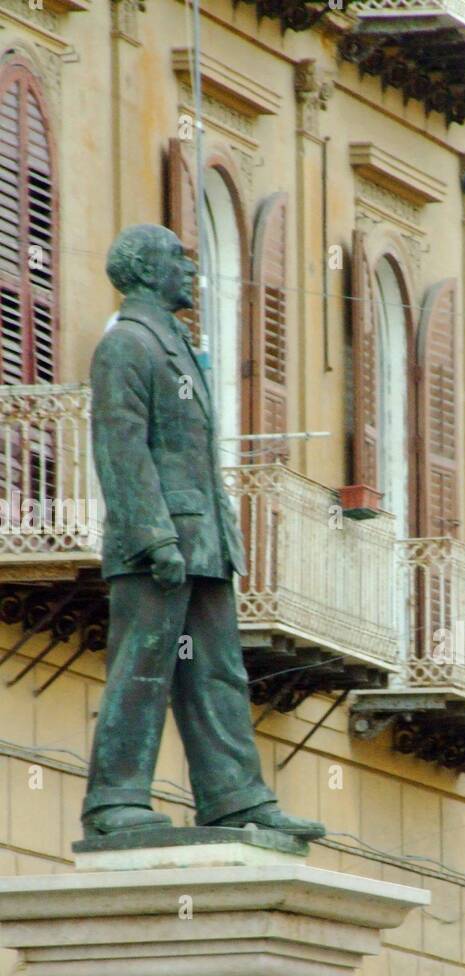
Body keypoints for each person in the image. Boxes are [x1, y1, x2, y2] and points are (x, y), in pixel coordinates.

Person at [82, 224, 323, 841]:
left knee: (217, 671)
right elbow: (121, 447)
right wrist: (153, 537)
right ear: (142, 271)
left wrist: (211, 537)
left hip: (204, 540)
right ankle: (115, 798)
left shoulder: (176, 344)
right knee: (143, 666)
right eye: (177, 260)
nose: (190, 271)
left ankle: (233, 796)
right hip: (159, 545)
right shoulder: (127, 344)